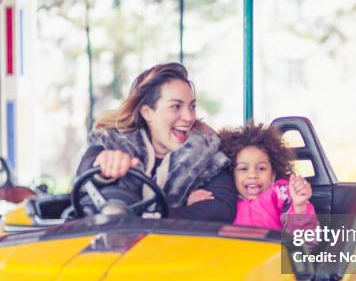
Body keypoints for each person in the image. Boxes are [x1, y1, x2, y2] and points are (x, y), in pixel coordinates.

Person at [76, 62, 237, 222]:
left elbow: (222, 208)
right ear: (147, 113)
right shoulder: (111, 142)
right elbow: (85, 171)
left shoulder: (206, 154)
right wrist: (103, 168)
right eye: (176, 106)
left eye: (192, 106)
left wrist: (147, 217)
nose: (189, 117)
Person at [188, 123, 317, 232]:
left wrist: (300, 206)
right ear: (232, 175)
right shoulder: (225, 200)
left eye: (261, 168)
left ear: (273, 174)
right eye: (243, 169)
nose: (253, 175)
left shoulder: (282, 196)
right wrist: (190, 203)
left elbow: (305, 242)